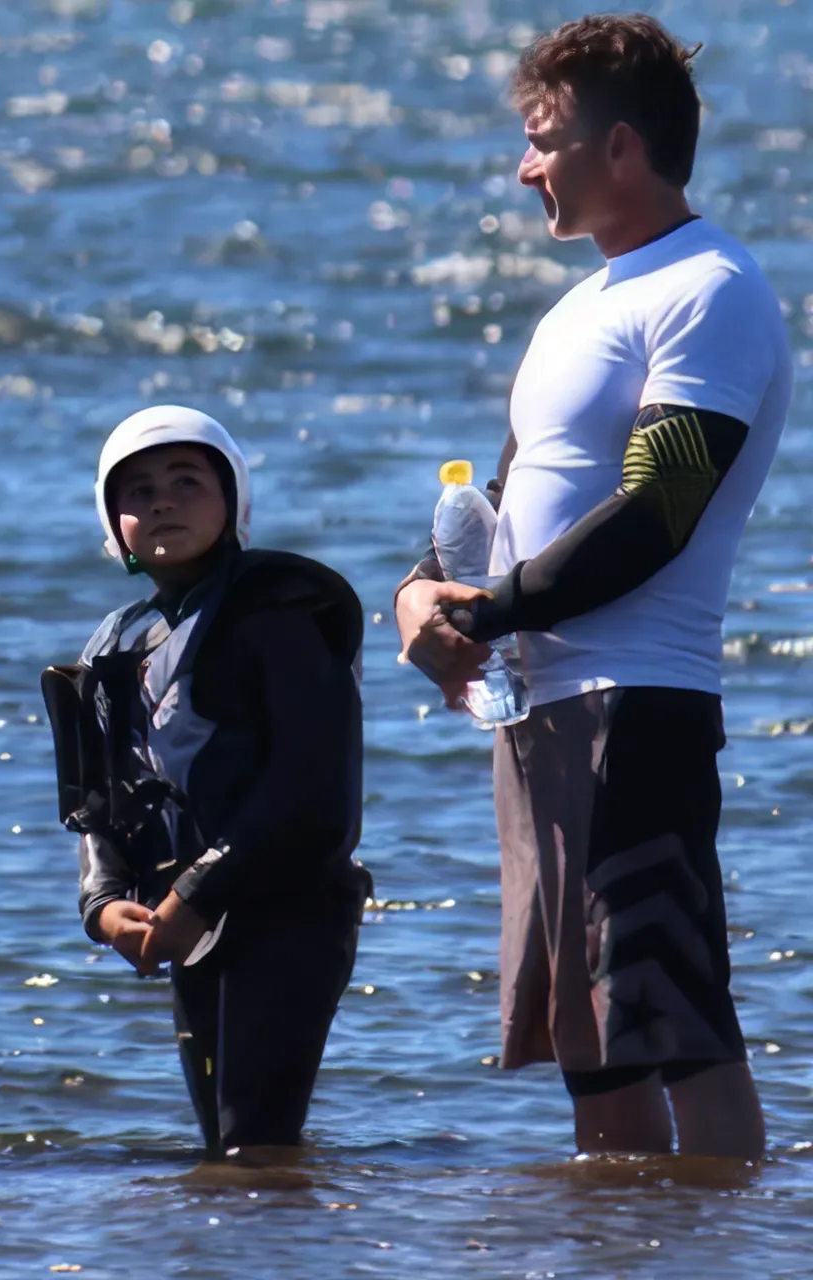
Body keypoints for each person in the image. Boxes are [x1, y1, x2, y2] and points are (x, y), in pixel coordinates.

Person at [395, 14, 786, 1159]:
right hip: (539, 710)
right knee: (590, 1041)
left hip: (639, 705)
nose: (525, 166)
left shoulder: (713, 288)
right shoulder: (581, 307)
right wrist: (425, 597)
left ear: (622, 148)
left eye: (543, 139)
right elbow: (513, 501)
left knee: (677, 1026)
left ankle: (732, 1250)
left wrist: (494, 609)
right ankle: (625, 1247)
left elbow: (662, 508)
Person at [41, 405, 371, 1157]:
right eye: (139, 489)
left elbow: (313, 788)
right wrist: (102, 904)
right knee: (223, 1149)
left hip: (287, 909)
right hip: (185, 922)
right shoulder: (118, 644)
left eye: (187, 481)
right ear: (111, 520)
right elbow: (98, 804)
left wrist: (195, 893)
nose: (162, 500)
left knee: (256, 1139)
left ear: (233, 501)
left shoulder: (277, 617)